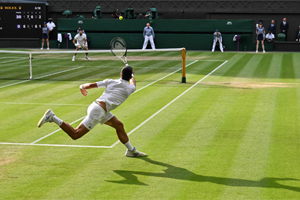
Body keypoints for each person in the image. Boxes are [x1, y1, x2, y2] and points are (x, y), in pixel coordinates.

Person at [37, 66, 146, 157]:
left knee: (119, 126)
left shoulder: (110, 81)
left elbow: (89, 85)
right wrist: (132, 75)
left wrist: (81, 86)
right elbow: (133, 83)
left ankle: (130, 151)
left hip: (98, 107)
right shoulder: (130, 88)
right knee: (75, 135)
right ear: (130, 75)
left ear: (120, 74)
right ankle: (52, 117)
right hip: (98, 112)